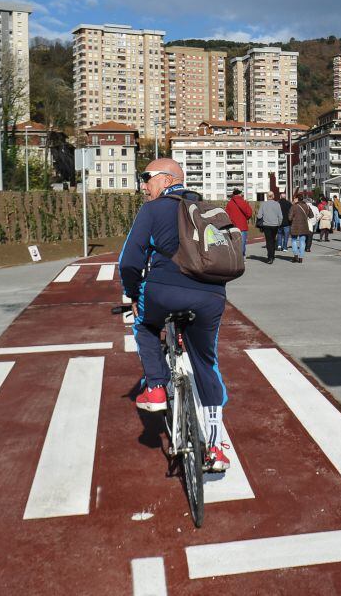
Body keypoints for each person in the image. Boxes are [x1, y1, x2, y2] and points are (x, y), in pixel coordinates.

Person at [119, 158, 230, 471]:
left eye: (147, 178)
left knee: (143, 325)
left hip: (164, 291)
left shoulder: (153, 210)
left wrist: (132, 295)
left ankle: (155, 385)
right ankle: (215, 448)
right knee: (207, 364)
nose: (143, 185)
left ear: (167, 180)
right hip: (211, 296)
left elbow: (129, 260)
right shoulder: (211, 210)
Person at [225, 188, 253, 255]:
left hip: (233, 226)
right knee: (242, 243)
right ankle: (242, 257)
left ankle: (236, 257)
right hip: (242, 225)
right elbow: (249, 213)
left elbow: (226, 214)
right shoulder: (244, 202)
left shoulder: (229, 203)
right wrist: (245, 218)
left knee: (234, 242)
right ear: (239, 194)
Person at [258, 191, 283, 264]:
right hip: (275, 225)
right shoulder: (277, 204)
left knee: (269, 241)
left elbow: (259, 215)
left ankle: (270, 257)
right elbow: (280, 216)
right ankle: (272, 255)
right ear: (273, 196)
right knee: (273, 240)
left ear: (267, 196)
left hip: (266, 225)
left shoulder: (263, 204)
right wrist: (279, 224)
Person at [288, 194, 312, 263]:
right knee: (302, 242)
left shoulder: (294, 206)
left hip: (295, 226)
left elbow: (289, 218)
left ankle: (296, 256)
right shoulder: (307, 206)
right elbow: (311, 215)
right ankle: (301, 258)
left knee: (294, 240)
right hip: (304, 226)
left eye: (295, 198)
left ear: (297, 199)